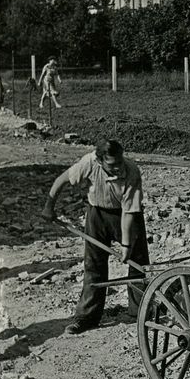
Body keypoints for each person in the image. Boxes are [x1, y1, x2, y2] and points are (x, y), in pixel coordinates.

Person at [41, 139, 149, 334]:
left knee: (137, 263)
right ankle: (87, 317)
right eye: (112, 165)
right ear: (100, 161)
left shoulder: (131, 171)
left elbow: (129, 212)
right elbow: (62, 180)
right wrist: (49, 206)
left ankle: (140, 310)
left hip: (128, 216)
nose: (117, 167)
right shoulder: (89, 163)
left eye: (119, 162)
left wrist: (125, 245)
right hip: (97, 214)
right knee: (94, 264)